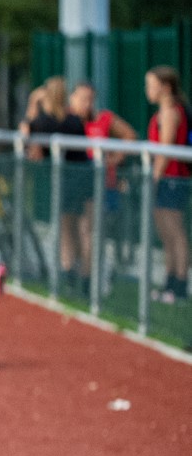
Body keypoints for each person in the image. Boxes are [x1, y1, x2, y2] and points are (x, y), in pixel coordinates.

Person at [22, 76, 93, 295]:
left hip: (64, 181)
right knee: (85, 231)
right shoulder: (74, 121)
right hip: (85, 178)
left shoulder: (43, 122)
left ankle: (69, 274)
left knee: (67, 231)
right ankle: (85, 280)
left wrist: (32, 104)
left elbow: (27, 136)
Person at [68, 81, 139, 292]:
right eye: (82, 98)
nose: (86, 104)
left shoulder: (103, 119)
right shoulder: (68, 120)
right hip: (73, 182)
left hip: (101, 184)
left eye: (90, 99)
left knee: (91, 229)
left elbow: (130, 136)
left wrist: (115, 158)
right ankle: (75, 271)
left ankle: (89, 278)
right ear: (72, 98)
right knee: (74, 229)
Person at [144, 65, 190, 302]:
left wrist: (154, 179)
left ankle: (180, 284)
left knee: (175, 232)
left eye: (151, 85)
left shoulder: (172, 112)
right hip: (164, 178)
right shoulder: (160, 114)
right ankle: (169, 281)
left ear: (166, 87)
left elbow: (165, 149)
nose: (147, 90)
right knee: (165, 233)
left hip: (172, 179)